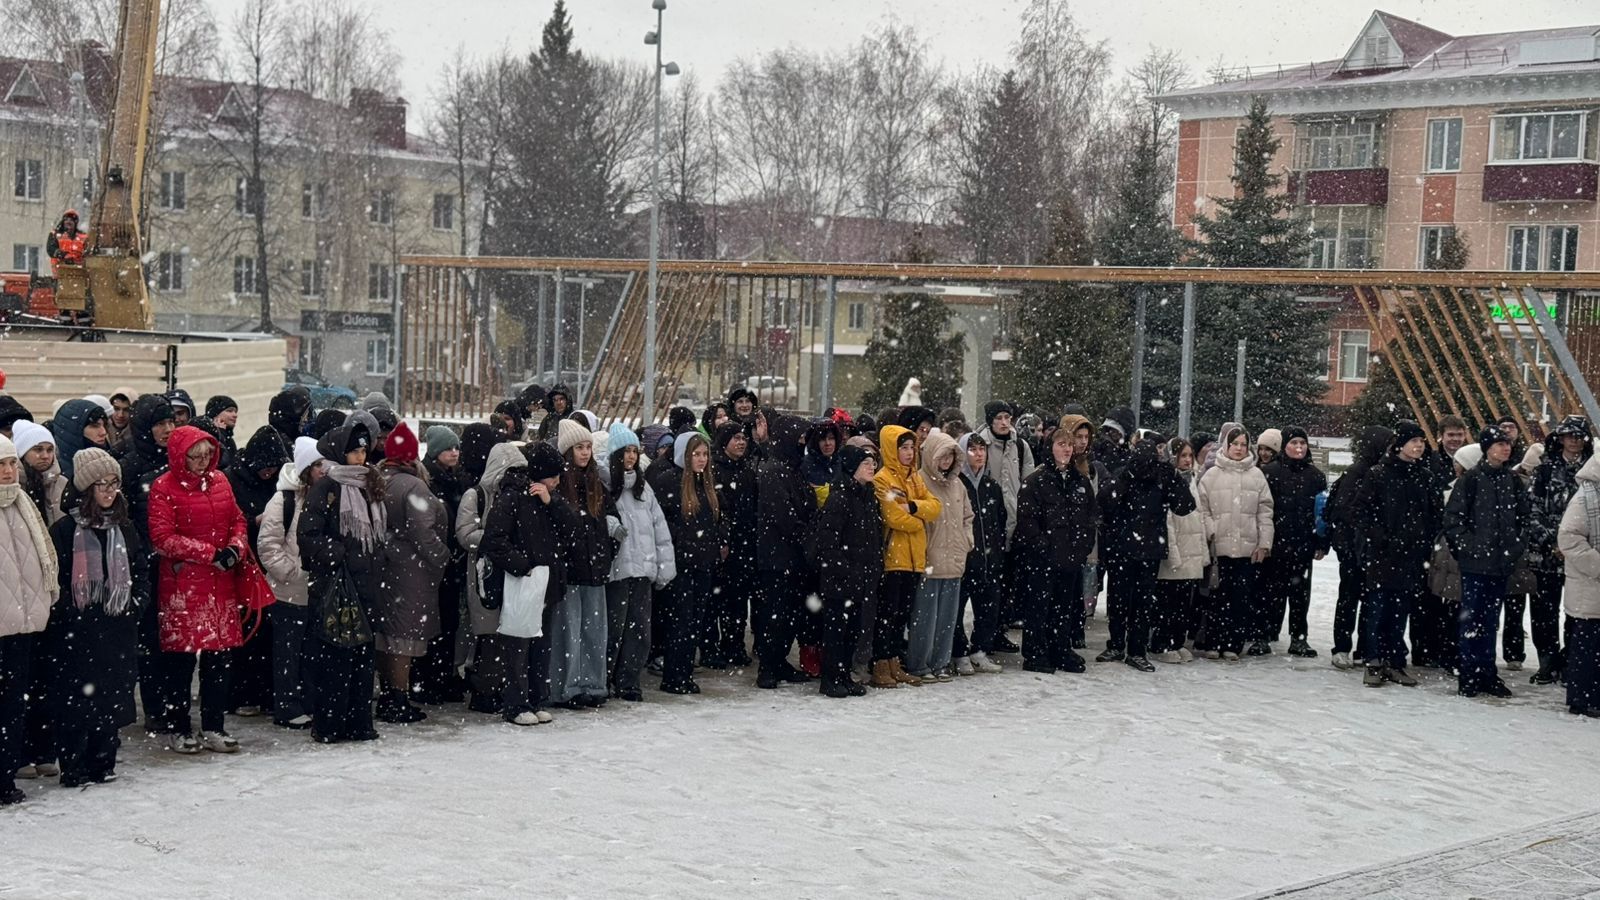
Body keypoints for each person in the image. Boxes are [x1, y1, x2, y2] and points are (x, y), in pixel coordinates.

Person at [45, 448, 147, 788]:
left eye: (114, 483)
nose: (108, 490)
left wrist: (136, 601)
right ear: (86, 488)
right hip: (78, 631)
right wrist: (71, 612)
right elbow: (57, 579)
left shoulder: (125, 527)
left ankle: (104, 761)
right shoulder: (64, 530)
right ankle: (73, 765)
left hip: (118, 626)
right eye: (101, 484)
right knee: (76, 702)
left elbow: (141, 570)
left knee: (112, 697)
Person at [147, 425, 249, 754]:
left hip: (220, 584)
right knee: (181, 661)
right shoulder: (164, 487)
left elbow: (238, 520)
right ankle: (179, 727)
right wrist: (209, 553)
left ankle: (214, 726)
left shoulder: (220, 481)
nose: (204, 462)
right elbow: (163, 538)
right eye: (196, 456)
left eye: (208, 455)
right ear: (180, 456)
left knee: (220, 660)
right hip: (183, 588)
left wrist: (235, 548)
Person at [297, 411, 384, 743]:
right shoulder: (328, 488)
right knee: (334, 659)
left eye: (363, 452)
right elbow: (309, 536)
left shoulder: (370, 484)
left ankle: (359, 722)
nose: (361, 458)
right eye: (354, 452)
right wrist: (340, 554)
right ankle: (331, 724)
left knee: (362, 658)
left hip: (366, 586)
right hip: (336, 586)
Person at [481, 442, 567, 726]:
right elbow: (494, 541)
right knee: (518, 644)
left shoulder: (550, 499)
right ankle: (516, 703)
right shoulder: (512, 497)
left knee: (542, 644)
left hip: (547, 583)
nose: (556, 482)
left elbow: (574, 528)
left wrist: (551, 502)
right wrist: (524, 566)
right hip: (522, 583)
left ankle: (537, 697)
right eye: (552, 476)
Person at [1354, 421, 1443, 689]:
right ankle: (1373, 660)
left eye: (1421, 441)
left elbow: (1434, 514)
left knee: (1400, 612)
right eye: (1413, 441)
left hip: (1411, 557)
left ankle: (1395, 661)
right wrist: (1380, 538)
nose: (1418, 446)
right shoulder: (1379, 474)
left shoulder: (1424, 476)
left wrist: (1425, 541)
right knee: (1378, 609)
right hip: (1383, 556)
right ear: (1399, 445)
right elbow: (1360, 511)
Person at [372, 423, 449, 724]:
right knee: (404, 637)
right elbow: (423, 532)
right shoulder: (414, 487)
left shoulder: (378, 480)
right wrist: (443, 556)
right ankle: (398, 698)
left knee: (385, 634)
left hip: (383, 566)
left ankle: (388, 695)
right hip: (411, 570)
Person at [1444, 425, 1529, 699]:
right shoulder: (1471, 480)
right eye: (1500, 444)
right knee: (1472, 619)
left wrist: (1515, 548)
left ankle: (1487, 674)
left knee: (1491, 621)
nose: (1506, 448)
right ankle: (1469, 674)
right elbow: (1454, 520)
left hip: (1501, 565)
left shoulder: (1512, 481)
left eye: (1508, 444)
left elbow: (1523, 520)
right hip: (1475, 565)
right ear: (1487, 448)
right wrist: (1470, 549)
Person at [1098, 438, 1196, 672]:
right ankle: (1120, 645)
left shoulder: (1162, 476)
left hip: (1145, 549)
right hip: (1126, 549)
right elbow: (1104, 502)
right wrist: (1127, 477)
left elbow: (1184, 506)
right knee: (1122, 600)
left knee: (1140, 602)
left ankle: (1135, 649)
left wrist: (1172, 478)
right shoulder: (1126, 474)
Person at [455, 442, 532, 716]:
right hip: (483, 572)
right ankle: (484, 690)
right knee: (487, 631)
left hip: (507, 570)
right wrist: (496, 538)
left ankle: (496, 687)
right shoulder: (476, 495)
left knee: (504, 630)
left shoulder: (518, 496)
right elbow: (465, 535)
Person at [1015, 425, 1096, 674]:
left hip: (1071, 558)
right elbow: (1027, 520)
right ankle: (1036, 652)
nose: (1067, 449)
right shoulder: (1036, 481)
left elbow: (1091, 518)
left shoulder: (1080, 481)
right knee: (1039, 607)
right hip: (1044, 559)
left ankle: (1060, 649)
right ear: (1050, 448)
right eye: (1061, 444)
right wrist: (1043, 546)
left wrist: (1082, 548)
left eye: (1069, 445)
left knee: (1064, 608)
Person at [119, 394, 178, 735]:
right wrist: (142, 553)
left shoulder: (178, 460)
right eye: (159, 424)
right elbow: (126, 519)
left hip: (177, 564)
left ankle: (175, 702)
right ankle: (156, 708)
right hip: (147, 564)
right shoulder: (130, 465)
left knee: (176, 637)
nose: (167, 429)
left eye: (171, 422)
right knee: (151, 642)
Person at [223, 426, 290, 719]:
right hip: (244, 565)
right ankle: (242, 693)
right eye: (264, 467)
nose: (268, 472)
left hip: (270, 566)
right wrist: (254, 521)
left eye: (273, 468)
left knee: (268, 636)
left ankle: (265, 693)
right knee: (247, 634)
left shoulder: (277, 483)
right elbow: (230, 520)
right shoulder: (233, 479)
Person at [604, 425, 674, 702]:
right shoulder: (607, 486)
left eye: (634, 450)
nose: (631, 457)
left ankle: (629, 681)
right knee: (613, 629)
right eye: (625, 451)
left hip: (642, 571)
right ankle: (606, 678)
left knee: (639, 631)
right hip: (618, 572)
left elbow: (660, 529)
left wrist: (664, 566)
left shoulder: (645, 490)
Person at [547, 419, 614, 709]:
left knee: (594, 631)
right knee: (568, 632)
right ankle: (566, 687)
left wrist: (611, 543)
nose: (585, 453)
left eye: (588, 447)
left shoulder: (595, 482)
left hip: (595, 567)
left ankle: (592, 684)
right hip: (571, 569)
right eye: (579, 447)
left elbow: (607, 519)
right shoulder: (561, 484)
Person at [806, 443, 881, 698]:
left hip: (861, 576)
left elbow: (872, 537)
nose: (872, 467)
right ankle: (831, 678)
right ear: (852, 468)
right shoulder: (840, 497)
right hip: (840, 579)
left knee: (853, 631)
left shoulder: (867, 495)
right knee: (836, 632)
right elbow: (828, 541)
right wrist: (844, 569)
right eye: (865, 464)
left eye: (873, 463)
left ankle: (844, 675)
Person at [870, 424, 941, 688]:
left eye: (912, 447)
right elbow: (894, 517)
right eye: (904, 448)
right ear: (892, 450)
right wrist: (918, 519)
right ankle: (880, 664)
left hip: (914, 559)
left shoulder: (914, 478)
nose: (910, 453)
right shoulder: (883, 479)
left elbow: (935, 507)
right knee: (887, 615)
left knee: (902, 615)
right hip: (893, 558)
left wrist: (913, 507)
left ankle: (894, 662)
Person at [1522, 415, 1591, 686]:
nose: (1574, 440)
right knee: (1543, 613)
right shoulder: (1545, 470)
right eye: (1569, 435)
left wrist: (1576, 546)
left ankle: (1570, 660)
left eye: (1579, 436)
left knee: (1579, 611)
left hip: (1581, 556)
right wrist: (1553, 542)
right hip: (1547, 554)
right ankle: (1547, 661)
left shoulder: (1592, 471)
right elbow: (1532, 510)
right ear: (1560, 438)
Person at [655, 433, 726, 695]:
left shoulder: (706, 484)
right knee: (680, 621)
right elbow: (663, 521)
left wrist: (719, 538)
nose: (702, 460)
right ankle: (674, 675)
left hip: (703, 562)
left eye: (705, 455)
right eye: (696, 454)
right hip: (682, 563)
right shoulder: (670, 481)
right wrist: (685, 542)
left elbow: (718, 517)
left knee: (695, 619)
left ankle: (683, 672)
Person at [257, 437, 320, 730]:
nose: (323, 469)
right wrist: (291, 573)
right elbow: (269, 545)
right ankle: (286, 705)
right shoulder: (284, 499)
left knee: (309, 653)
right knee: (287, 653)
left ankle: (307, 701)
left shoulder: (322, 496)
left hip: (314, 590)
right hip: (287, 592)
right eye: (317, 464)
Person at [1197, 423, 1274, 661]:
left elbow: (1265, 512)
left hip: (1246, 549)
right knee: (1216, 598)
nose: (1239, 449)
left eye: (1243, 444)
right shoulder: (1211, 475)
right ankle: (1213, 641)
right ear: (1227, 446)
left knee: (1240, 599)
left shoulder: (1257, 475)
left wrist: (1264, 543)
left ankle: (1233, 643)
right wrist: (1211, 531)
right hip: (1218, 548)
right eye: (1235, 444)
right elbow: (1202, 509)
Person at [903, 430, 973, 682]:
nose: (946, 461)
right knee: (924, 618)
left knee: (947, 618)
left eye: (951, 456)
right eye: (943, 456)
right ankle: (919, 663)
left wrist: (967, 541)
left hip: (954, 559)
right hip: (929, 560)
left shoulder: (958, 485)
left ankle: (941, 662)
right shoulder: (919, 482)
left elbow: (968, 517)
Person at [753, 416, 814, 688]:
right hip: (777, 558)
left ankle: (778, 661)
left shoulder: (793, 469)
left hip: (793, 556)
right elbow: (784, 515)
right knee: (774, 614)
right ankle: (768, 665)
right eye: (799, 438)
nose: (803, 444)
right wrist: (806, 534)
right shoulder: (775, 471)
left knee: (790, 615)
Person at [1324, 425, 1392, 669]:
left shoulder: (1380, 471)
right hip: (1354, 548)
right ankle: (1342, 646)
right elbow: (1346, 512)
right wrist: (1351, 543)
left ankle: (1362, 647)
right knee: (1350, 598)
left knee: (1367, 599)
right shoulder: (1360, 472)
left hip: (1370, 548)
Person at [1259, 426, 1328, 657]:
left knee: (1300, 594)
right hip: (1276, 543)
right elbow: (1263, 509)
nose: (1299, 448)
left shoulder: (1315, 476)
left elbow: (1321, 512)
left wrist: (1321, 542)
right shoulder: (1270, 472)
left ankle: (1299, 638)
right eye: (1294, 443)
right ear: (1285, 445)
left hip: (1303, 543)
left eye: (1302, 443)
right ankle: (1264, 634)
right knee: (1270, 592)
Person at [415, 425, 469, 705]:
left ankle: (441, 676)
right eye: (449, 448)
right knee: (434, 624)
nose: (455, 452)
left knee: (448, 624)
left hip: (451, 564)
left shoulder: (454, 479)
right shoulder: (429, 482)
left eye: (457, 447)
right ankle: (428, 679)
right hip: (435, 565)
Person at [952, 433, 1006, 674]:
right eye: (972, 449)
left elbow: (999, 520)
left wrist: (996, 551)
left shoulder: (991, 486)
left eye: (982, 449)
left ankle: (979, 650)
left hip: (989, 560)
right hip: (964, 559)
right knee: (956, 610)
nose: (979, 454)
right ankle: (959, 652)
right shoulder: (957, 483)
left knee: (989, 608)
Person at [1556, 449, 1600, 718]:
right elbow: (1569, 538)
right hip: (1589, 583)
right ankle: (1582, 698)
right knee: (1587, 645)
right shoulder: (1585, 498)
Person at [710, 423, 757, 668]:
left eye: (744, 438)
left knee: (738, 601)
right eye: (736, 438)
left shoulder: (746, 470)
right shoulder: (716, 469)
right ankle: (714, 646)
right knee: (720, 599)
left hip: (745, 543)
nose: (741, 442)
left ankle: (734, 644)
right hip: (725, 544)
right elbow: (720, 510)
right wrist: (723, 537)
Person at [1155, 438, 1206, 664]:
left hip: (1192, 551)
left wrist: (1203, 551)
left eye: (1189, 456)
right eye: (1182, 456)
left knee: (1185, 603)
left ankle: (1177, 641)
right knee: (1169, 603)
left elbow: (1200, 516)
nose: (1187, 460)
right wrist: (1172, 554)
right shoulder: (1168, 480)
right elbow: (1168, 522)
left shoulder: (1193, 479)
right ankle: (1162, 643)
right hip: (1176, 552)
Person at [14, 422, 65, 525]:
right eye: (38, 449)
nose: (45, 456)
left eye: (50, 450)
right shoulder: (13, 485)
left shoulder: (63, 484)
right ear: (22, 452)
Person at [51, 398, 111, 483]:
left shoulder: (111, 462)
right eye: (95, 426)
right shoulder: (55, 475)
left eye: (104, 425)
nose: (103, 432)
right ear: (74, 430)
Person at [1092, 406, 1136, 477]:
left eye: (1116, 430)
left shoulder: (1129, 455)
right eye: (1109, 429)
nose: (1112, 432)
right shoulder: (1097, 448)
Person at [46, 209, 85, 274]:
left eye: (71, 220)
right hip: (60, 273)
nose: (68, 222)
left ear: (75, 223)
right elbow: (51, 249)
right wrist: (63, 255)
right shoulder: (55, 234)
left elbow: (88, 252)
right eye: (66, 220)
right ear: (63, 221)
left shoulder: (83, 237)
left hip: (80, 274)